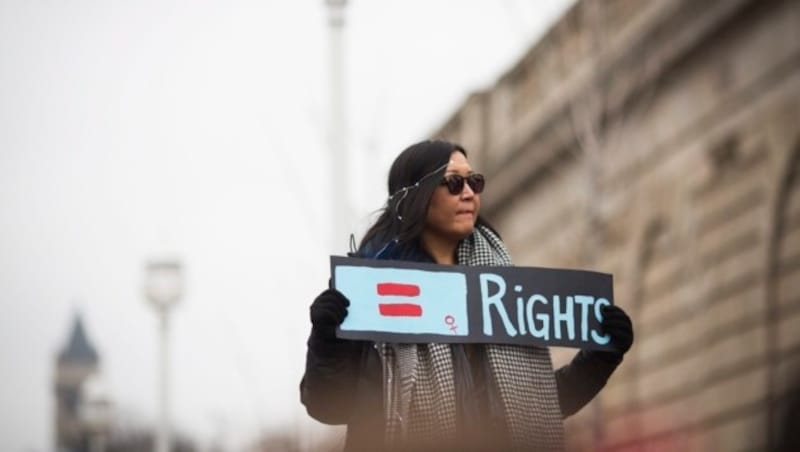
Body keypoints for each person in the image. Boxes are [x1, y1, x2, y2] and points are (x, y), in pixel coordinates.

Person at [300, 140, 633, 451]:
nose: (470, 193)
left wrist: (601, 358)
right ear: (415, 196)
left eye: (475, 182)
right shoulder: (368, 292)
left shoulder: (504, 290)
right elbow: (328, 406)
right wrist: (327, 340)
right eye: (454, 183)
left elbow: (540, 405)